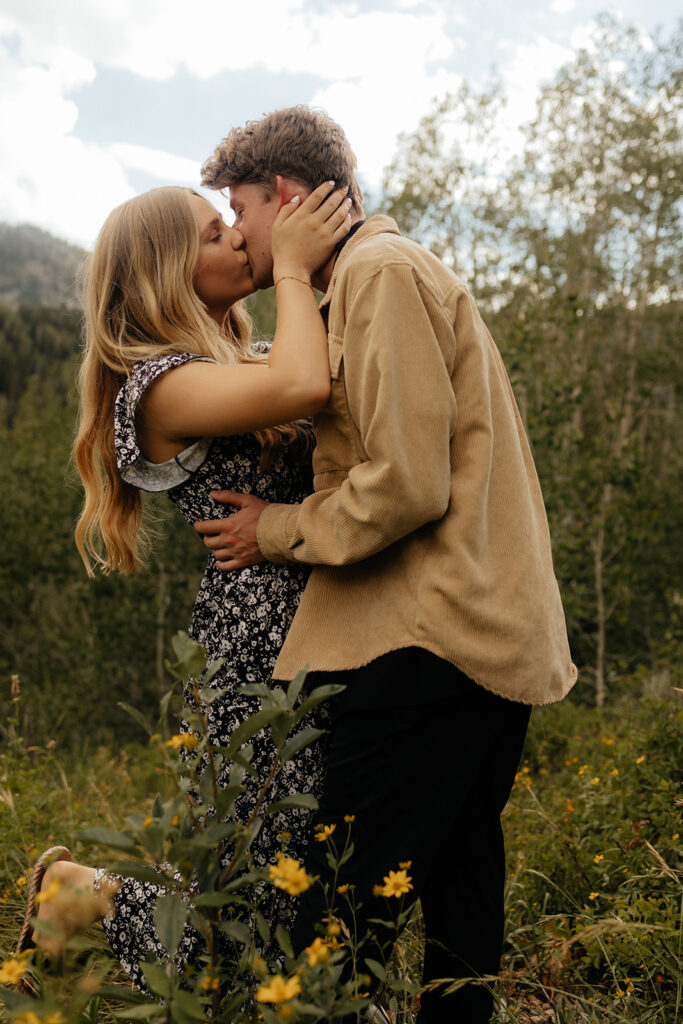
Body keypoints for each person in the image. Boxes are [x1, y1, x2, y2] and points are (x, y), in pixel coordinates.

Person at [195, 105, 578, 1024]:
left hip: (427, 642)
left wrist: (276, 530)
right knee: (457, 912)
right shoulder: (364, 282)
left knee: (329, 926)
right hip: (460, 636)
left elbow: (404, 483)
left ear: (285, 198)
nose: (238, 234)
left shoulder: (378, 274)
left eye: (240, 210)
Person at [16, 181, 353, 991]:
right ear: (164, 270)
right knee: (253, 902)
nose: (238, 240)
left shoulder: (231, 360)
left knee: (290, 875)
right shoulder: (161, 384)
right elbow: (307, 387)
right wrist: (297, 269)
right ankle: (81, 896)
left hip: (316, 624)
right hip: (257, 645)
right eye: (212, 234)